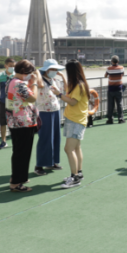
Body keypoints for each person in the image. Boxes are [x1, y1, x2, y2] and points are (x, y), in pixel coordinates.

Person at [4, 60, 39, 192]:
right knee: (22, 153)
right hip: (23, 121)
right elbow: (32, 98)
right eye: (30, 73)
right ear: (25, 72)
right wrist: (34, 83)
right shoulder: (19, 84)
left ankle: (19, 178)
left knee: (19, 151)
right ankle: (16, 183)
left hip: (14, 121)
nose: (31, 75)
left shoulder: (10, 81)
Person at [57, 60, 89, 188]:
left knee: (68, 149)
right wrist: (63, 78)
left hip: (75, 120)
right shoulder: (80, 84)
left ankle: (74, 177)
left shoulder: (79, 86)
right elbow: (69, 93)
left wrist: (58, 94)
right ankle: (78, 173)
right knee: (76, 148)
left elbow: (72, 102)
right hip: (76, 119)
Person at [35, 60, 65, 175]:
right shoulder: (39, 80)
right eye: (53, 69)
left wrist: (63, 76)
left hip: (55, 110)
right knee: (45, 138)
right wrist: (39, 73)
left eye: (56, 69)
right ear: (47, 70)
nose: (55, 71)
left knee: (55, 137)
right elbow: (40, 85)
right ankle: (39, 165)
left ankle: (52, 162)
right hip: (44, 112)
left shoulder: (54, 80)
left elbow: (63, 91)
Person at [0, 58, 15, 150]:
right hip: (3, 102)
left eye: (14, 66)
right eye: (10, 66)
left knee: (15, 122)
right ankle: (3, 141)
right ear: (5, 66)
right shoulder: (0, 76)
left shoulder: (17, 75)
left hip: (15, 103)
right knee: (3, 122)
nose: (12, 67)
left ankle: (15, 140)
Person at [104, 56, 125, 124]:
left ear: (111, 61)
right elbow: (123, 74)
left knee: (110, 105)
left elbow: (105, 76)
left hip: (111, 89)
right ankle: (120, 118)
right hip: (119, 88)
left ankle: (110, 119)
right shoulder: (121, 68)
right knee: (119, 104)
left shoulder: (108, 68)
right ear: (118, 61)